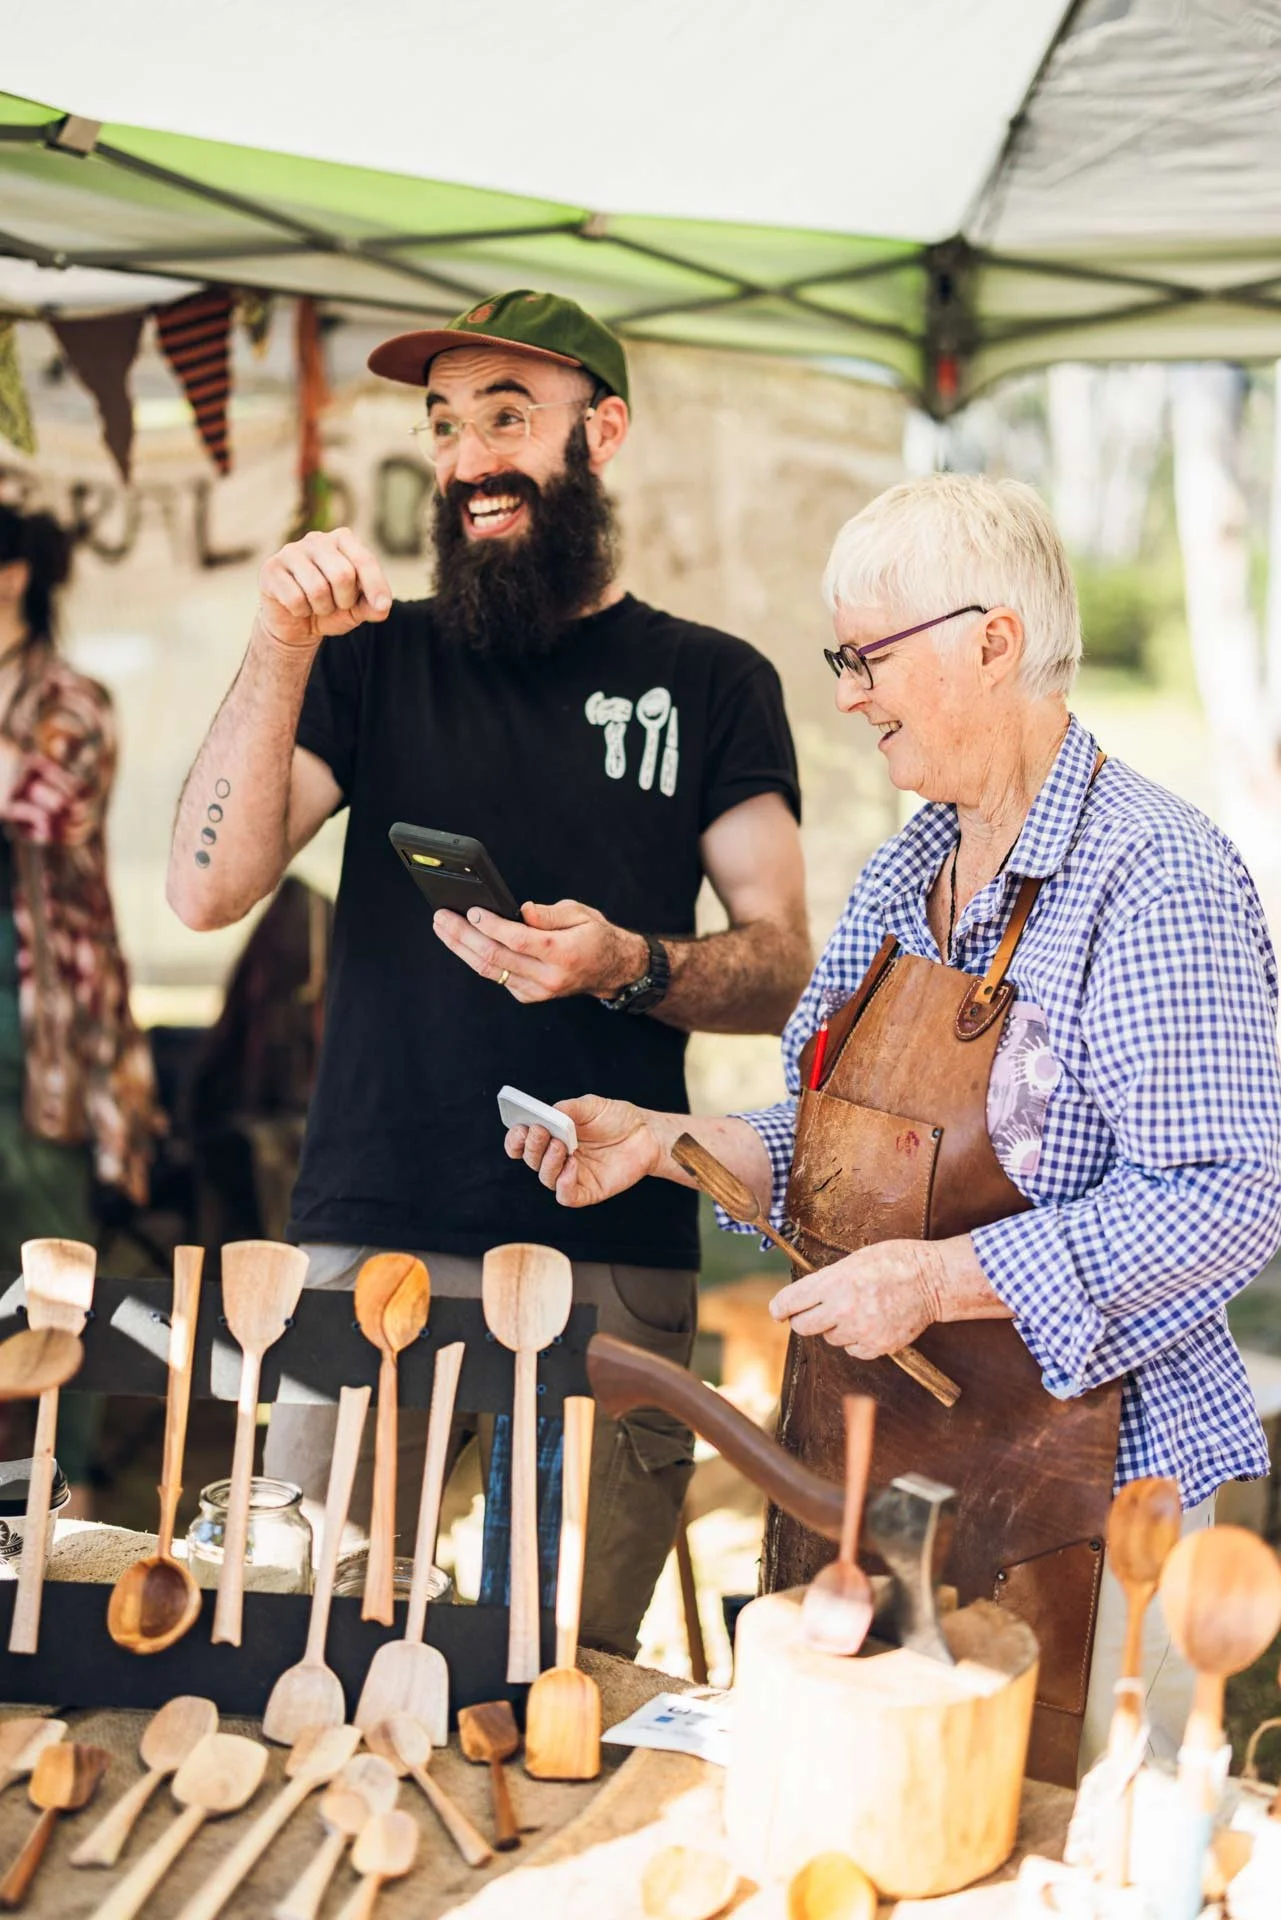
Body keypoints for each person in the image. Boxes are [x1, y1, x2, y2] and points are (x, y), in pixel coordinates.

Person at [507, 472, 1281, 1776]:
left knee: (1065, 1861)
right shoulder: (904, 869)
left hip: (1104, 1505)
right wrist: (668, 1141)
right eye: (840, 657)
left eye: (870, 655)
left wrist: (940, 1280)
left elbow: (1224, 1198)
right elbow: (831, 1143)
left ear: (995, 640)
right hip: (892, 1480)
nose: (848, 692)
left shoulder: (1157, 879)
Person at [166, 289, 809, 1652]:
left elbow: (781, 969)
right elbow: (205, 887)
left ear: (603, 431)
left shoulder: (713, 683)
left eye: (508, 417)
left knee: (563, 1676)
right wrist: (280, 643)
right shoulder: (367, 662)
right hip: (364, 1241)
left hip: (609, 1257)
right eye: (446, 424)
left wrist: (628, 966)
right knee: (305, 1648)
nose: (467, 459)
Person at [0, 502, 159, 1511]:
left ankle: (72, 1479)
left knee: (50, 1243)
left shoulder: (73, 701)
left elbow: (41, 802)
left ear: (18, 576)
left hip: (44, 1025)